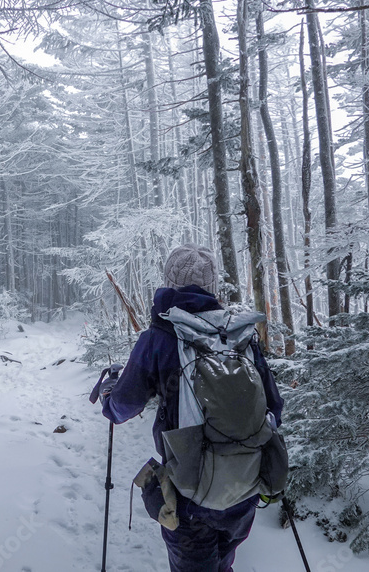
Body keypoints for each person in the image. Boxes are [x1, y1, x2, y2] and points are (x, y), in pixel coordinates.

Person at [97, 244, 283, 572]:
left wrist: (109, 392)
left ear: (170, 283)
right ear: (213, 288)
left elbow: (121, 408)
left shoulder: (160, 336)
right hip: (243, 492)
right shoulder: (239, 335)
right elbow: (274, 409)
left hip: (188, 497)